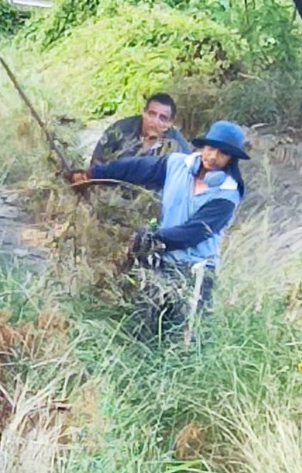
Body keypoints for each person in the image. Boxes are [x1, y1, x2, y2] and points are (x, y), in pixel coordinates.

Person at [73, 121, 249, 337]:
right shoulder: (176, 165)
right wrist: (93, 175)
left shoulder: (228, 193)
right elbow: (135, 169)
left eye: (223, 153)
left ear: (232, 159)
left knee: (183, 338)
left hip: (195, 273)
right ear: (204, 146)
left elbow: (195, 232)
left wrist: (152, 238)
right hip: (160, 262)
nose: (213, 156)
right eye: (211, 148)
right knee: (142, 329)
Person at [91, 93, 192, 164]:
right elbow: (96, 162)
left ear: (170, 123)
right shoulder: (120, 130)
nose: (155, 121)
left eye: (162, 118)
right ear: (144, 112)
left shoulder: (178, 144)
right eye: (152, 114)